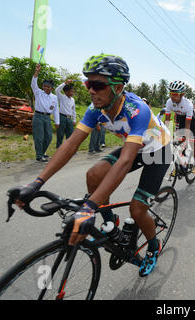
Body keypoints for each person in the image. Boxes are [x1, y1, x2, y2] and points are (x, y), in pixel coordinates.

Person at [14, 54, 171, 277]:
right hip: (135, 146)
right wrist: (36, 183)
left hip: (158, 151)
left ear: (117, 87)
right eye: (89, 83)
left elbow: (126, 161)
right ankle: (111, 223)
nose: (90, 90)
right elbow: (71, 144)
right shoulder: (95, 109)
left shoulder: (137, 110)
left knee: (137, 209)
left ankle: (154, 247)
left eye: (98, 85)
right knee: (93, 174)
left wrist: (89, 208)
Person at [164, 80, 195, 173]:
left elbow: (187, 124)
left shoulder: (188, 105)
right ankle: (181, 163)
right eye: (171, 93)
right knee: (178, 142)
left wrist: (185, 136)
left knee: (192, 143)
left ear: (182, 94)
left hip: (190, 121)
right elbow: (167, 120)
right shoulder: (169, 102)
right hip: (179, 118)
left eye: (175, 94)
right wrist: (165, 132)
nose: (172, 96)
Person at [31, 64, 59, 162]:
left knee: (49, 137)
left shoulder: (54, 97)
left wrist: (57, 122)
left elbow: (55, 110)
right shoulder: (38, 92)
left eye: (48, 87)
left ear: (52, 88)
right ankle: (39, 156)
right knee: (39, 137)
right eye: (44, 86)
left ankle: (42, 153)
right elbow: (33, 84)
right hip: (38, 117)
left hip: (47, 118)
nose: (46, 88)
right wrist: (37, 72)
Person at [55, 80, 76, 149]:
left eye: (73, 91)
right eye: (71, 91)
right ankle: (59, 148)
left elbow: (73, 110)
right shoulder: (62, 97)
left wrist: (74, 119)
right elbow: (57, 90)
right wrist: (65, 83)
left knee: (70, 134)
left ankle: (68, 148)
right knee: (60, 134)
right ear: (66, 92)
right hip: (62, 117)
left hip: (69, 119)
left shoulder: (72, 100)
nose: (73, 92)